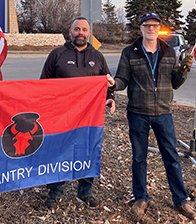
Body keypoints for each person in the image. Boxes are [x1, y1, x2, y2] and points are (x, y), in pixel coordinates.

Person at [112, 12, 196, 220]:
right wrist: (113, 85)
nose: (151, 28)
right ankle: (141, 197)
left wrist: (184, 70)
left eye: (154, 25)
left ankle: (181, 200)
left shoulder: (169, 52)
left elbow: (175, 82)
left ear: (159, 28)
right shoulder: (129, 52)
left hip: (163, 113)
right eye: (147, 25)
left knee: (171, 157)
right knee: (139, 158)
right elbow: (123, 79)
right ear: (141, 28)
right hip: (138, 113)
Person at [40, 16, 116, 210]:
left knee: (88, 151)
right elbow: (43, 84)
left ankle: (85, 192)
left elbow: (106, 83)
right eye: (77, 29)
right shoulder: (57, 54)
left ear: (89, 33)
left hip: (89, 117)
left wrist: (111, 97)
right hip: (61, 116)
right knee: (59, 152)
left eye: (84, 30)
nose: (80, 33)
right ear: (70, 32)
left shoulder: (97, 57)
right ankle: (55, 193)